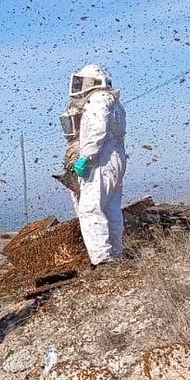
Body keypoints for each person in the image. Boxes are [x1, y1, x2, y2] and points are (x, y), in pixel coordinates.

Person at [66, 64, 127, 265]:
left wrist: (86, 156)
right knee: (111, 209)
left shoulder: (98, 100)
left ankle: (103, 259)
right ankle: (115, 254)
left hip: (100, 160)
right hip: (115, 157)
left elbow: (97, 131)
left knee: (90, 209)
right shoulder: (115, 103)